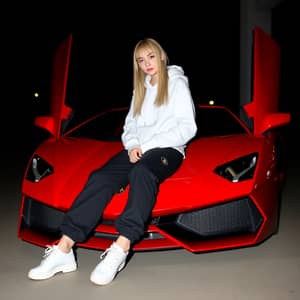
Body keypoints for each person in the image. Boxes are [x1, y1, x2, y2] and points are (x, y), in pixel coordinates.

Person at [27, 38, 197, 285]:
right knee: (100, 177)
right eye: (140, 60)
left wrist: (146, 146)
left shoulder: (177, 83)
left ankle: (121, 247)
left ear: (161, 56)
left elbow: (187, 127)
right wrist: (132, 145)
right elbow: (130, 125)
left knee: (141, 173)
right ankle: (64, 249)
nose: (146, 64)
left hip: (168, 149)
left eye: (151, 57)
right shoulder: (140, 88)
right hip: (138, 149)